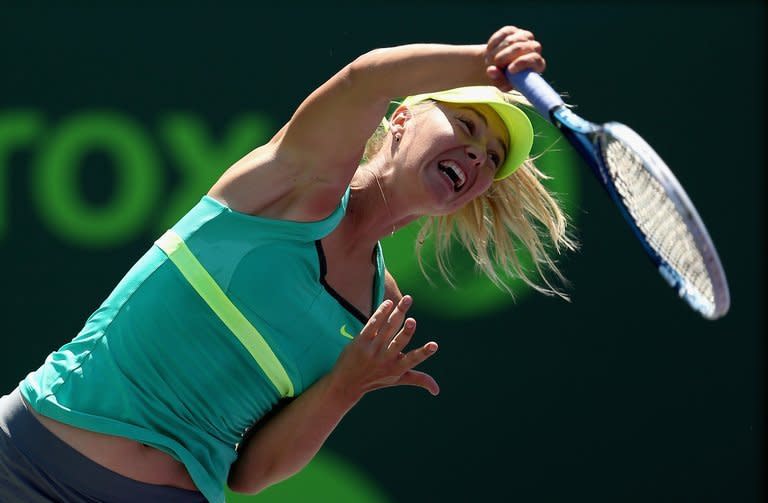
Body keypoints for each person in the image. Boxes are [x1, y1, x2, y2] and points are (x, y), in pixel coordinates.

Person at [0, 25, 574, 503]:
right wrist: (481, 63)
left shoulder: (380, 310)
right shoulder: (294, 184)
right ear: (399, 121)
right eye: (466, 125)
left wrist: (348, 385)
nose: (477, 154)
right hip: (24, 456)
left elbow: (250, 473)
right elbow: (366, 78)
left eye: (491, 158)